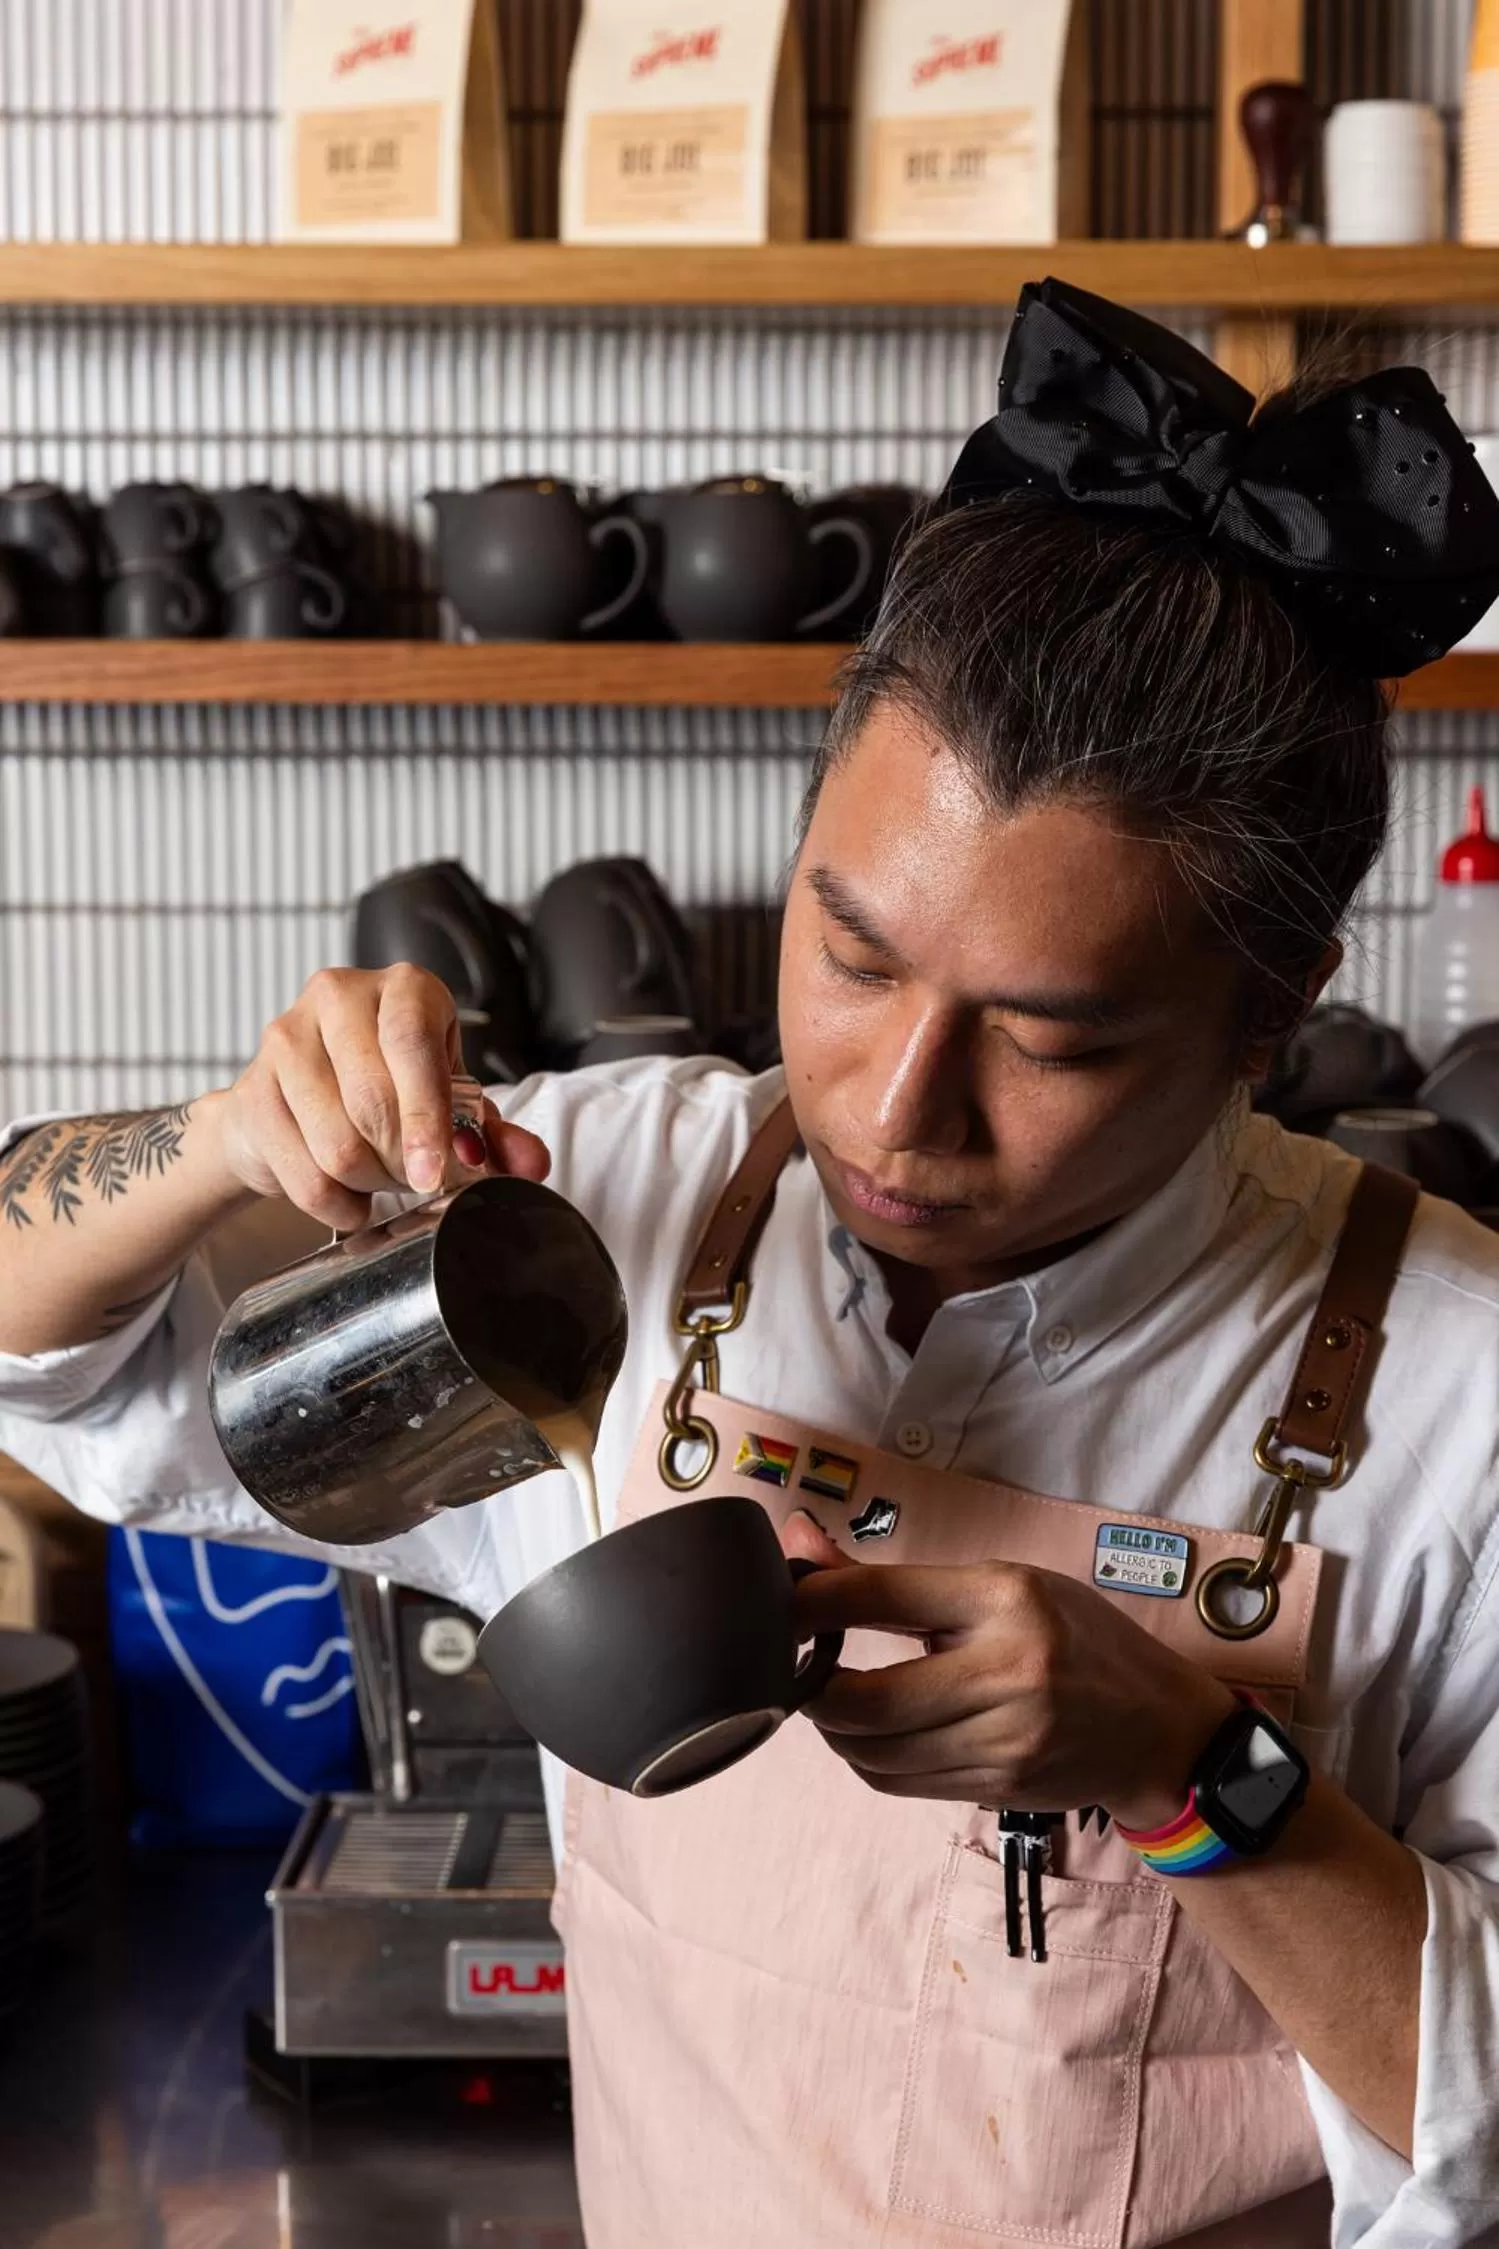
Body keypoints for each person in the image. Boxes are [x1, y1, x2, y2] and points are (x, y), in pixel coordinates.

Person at [2, 280, 1499, 2247]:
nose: (888, 1106)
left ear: (1270, 1008)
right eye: (851, 953)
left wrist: (1189, 1764)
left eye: (1046, 1038)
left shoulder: (1445, 1385)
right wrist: (223, 1139)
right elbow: (66, 1386)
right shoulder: (621, 1200)